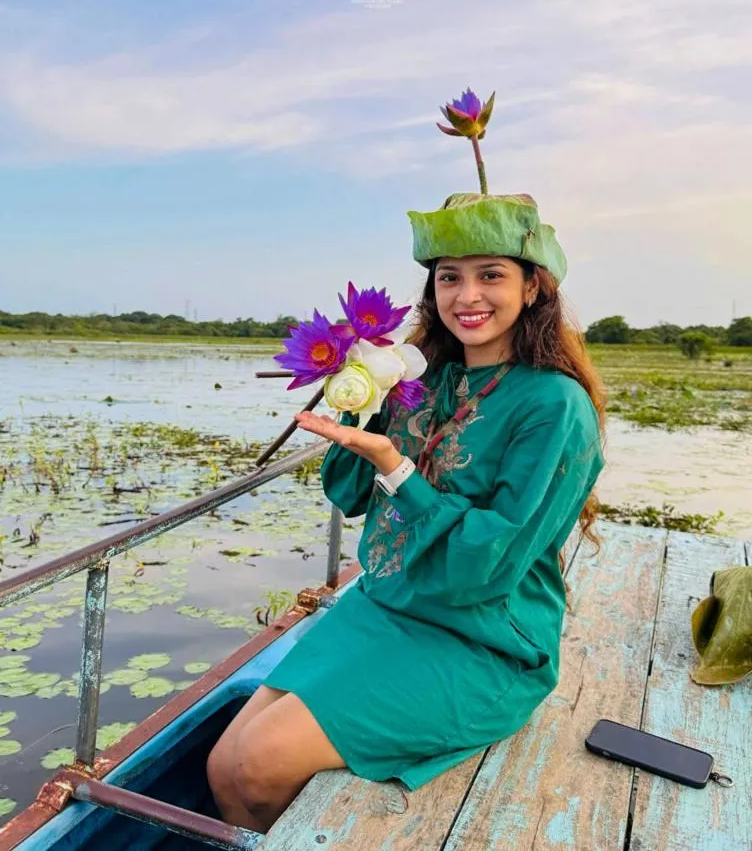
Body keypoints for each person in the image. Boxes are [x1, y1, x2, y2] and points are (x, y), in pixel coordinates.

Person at [206, 97, 606, 835]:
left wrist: (396, 464)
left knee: (259, 764)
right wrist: (356, 401)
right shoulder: (424, 379)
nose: (467, 296)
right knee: (224, 763)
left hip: (482, 636)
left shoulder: (554, 406)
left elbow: (488, 564)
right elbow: (349, 493)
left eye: (490, 275)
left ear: (532, 288)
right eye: (449, 277)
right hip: (387, 603)